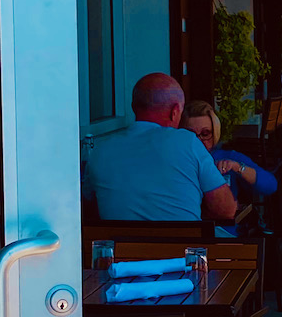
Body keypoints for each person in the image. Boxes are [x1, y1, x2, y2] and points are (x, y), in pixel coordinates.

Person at [83, 72, 237, 224]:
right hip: (181, 240)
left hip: (120, 240)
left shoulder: (99, 151)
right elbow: (226, 210)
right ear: (175, 111)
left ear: (133, 107)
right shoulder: (188, 142)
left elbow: (87, 204)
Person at [182, 97, 277, 206]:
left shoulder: (226, 157)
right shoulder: (175, 162)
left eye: (205, 134)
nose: (198, 141)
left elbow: (271, 185)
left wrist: (238, 168)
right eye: (190, 135)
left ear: (215, 133)